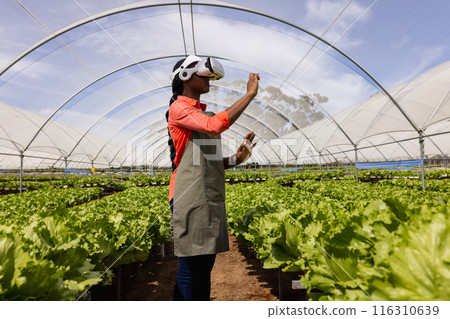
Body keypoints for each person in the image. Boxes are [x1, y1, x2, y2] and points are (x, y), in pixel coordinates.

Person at [165, 55, 259, 301]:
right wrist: (249, 95)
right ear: (185, 76)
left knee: (204, 268)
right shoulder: (179, 108)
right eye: (203, 76)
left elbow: (212, 162)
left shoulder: (202, 115)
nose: (209, 82)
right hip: (190, 197)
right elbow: (216, 126)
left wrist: (237, 159)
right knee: (191, 270)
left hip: (209, 197)